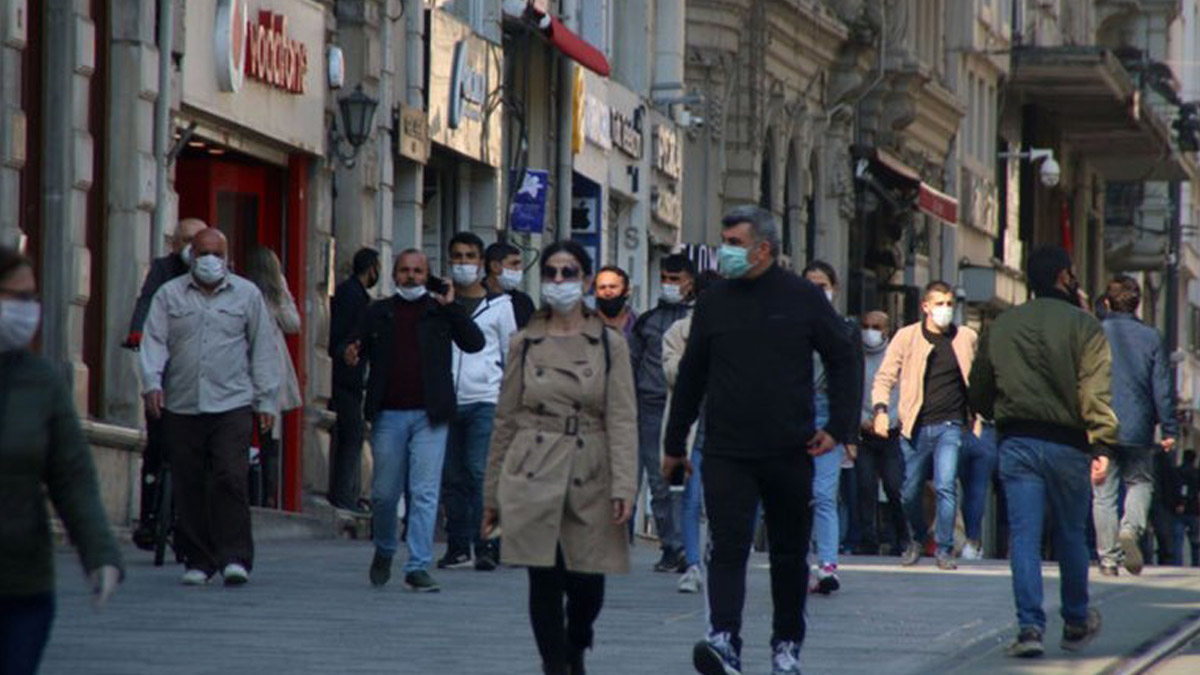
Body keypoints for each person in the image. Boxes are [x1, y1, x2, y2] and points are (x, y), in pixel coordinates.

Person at [663, 206, 857, 675]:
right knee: (727, 546)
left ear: (762, 249)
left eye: (734, 243)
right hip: (726, 450)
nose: (724, 251)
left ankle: (786, 647)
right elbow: (691, 375)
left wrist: (839, 428)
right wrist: (673, 444)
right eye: (724, 240)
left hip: (790, 449)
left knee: (789, 554)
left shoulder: (803, 297)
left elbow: (844, 356)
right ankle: (723, 640)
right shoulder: (713, 301)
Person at [481, 241, 637, 675]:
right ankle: (555, 665)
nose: (559, 281)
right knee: (544, 575)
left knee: (588, 583)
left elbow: (622, 418)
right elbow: (505, 419)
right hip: (533, 464)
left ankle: (576, 641)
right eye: (551, 272)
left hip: (590, 465)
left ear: (585, 281)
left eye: (569, 273)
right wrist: (492, 495)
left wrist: (624, 485)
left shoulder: (609, 344)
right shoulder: (524, 342)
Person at [969, 245, 1117, 658]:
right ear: (1063, 277)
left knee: (1025, 537)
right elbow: (1095, 391)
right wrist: (1102, 441)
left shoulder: (1003, 325)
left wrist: (994, 411)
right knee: (1071, 533)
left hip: (1018, 443)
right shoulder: (1085, 327)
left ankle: (1030, 628)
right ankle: (1075, 620)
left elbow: (980, 388)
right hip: (1069, 444)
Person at [0, 247, 123, 675]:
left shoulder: (42, 382)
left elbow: (72, 477)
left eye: (30, 298)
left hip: (24, 583)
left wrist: (99, 552)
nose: (26, 310)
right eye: (15, 297)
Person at [140, 228, 281, 586]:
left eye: (217, 253)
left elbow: (263, 347)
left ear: (227, 257)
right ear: (191, 255)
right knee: (189, 482)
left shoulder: (247, 295)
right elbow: (154, 341)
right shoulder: (169, 295)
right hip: (182, 402)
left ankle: (235, 556)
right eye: (203, 252)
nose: (210, 260)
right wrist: (152, 383)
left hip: (232, 402)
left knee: (230, 476)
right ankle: (199, 559)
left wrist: (266, 399)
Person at [343, 249, 484, 592]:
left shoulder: (440, 311)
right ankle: (385, 548)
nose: (411, 276)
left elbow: (474, 342)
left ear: (428, 275)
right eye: (405, 270)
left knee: (424, 492)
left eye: (418, 271)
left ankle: (417, 565)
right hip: (389, 414)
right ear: (394, 275)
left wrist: (452, 305)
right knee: (384, 494)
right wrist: (350, 350)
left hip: (430, 415)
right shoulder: (378, 312)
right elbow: (351, 343)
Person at [871, 281, 977, 570]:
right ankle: (916, 538)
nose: (945, 309)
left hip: (950, 425)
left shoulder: (966, 337)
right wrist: (880, 410)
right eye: (939, 304)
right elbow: (885, 377)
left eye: (949, 304)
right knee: (908, 491)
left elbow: (977, 379)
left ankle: (943, 548)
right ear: (926, 307)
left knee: (945, 486)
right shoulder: (907, 337)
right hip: (914, 426)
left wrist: (979, 416)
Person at [123, 217, 207, 548]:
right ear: (174, 243)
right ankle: (149, 518)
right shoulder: (163, 269)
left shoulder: (216, 273)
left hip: (198, 368)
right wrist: (137, 331)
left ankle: (194, 519)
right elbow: (146, 300)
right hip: (165, 363)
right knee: (156, 442)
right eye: (184, 240)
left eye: (196, 240)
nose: (190, 247)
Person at [439, 232, 517, 572]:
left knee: (479, 472)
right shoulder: (440, 303)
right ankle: (457, 546)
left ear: (482, 263)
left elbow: (511, 355)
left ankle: (488, 543)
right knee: (452, 477)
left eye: (469, 256)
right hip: (445, 401)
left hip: (485, 399)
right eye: (457, 256)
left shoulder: (501, 306)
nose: (463, 263)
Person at [1091, 275, 1178, 576]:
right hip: (1139, 425)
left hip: (1102, 422)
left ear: (1107, 302)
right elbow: (1162, 387)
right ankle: (1130, 529)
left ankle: (1108, 559)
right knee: (1140, 482)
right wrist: (1169, 428)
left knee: (1103, 492)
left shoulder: (1095, 333)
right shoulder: (1152, 338)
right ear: (1137, 304)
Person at [630, 253, 697, 573]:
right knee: (659, 481)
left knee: (687, 481)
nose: (669, 285)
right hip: (651, 407)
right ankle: (670, 546)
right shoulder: (647, 321)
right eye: (665, 279)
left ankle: (688, 545)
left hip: (688, 409)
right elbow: (632, 364)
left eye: (676, 279)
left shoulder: (698, 320)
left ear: (690, 282)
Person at [801, 260, 862, 593]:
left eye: (822, 285)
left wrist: (848, 432)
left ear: (834, 289)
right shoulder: (790, 325)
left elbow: (853, 383)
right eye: (809, 285)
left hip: (829, 415)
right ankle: (798, 562)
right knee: (798, 494)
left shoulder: (845, 329)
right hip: (795, 414)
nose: (816, 291)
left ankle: (827, 565)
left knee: (824, 494)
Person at [663, 269, 722, 594]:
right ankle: (692, 564)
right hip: (695, 433)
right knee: (691, 498)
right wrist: (697, 356)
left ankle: (715, 551)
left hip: (728, 431)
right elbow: (672, 373)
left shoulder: (736, 331)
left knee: (721, 502)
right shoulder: (678, 332)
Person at [243, 247, 303, 508]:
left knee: (257, 432)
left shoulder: (266, 295)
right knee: (268, 436)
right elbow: (292, 323)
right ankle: (266, 494)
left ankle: (261, 493)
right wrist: (282, 295)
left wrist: (280, 294)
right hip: (260, 367)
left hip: (253, 367)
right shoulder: (251, 295)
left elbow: (293, 324)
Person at [327, 247, 380, 513]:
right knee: (352, 435)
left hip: (348, 377)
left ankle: (347, 494)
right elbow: (346, 334)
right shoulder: (354, 296)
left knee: (351, 435)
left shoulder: (352, 293)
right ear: (371, 268)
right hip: (346, 377)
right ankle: (344, 496)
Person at [854, 310, 910, 557]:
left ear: (887, 330)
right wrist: (861, 420)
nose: (870, 332)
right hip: (863, 434)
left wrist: (888, 419)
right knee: (865, 487)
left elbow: (904, 395)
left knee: (894, 487)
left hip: (890, 434)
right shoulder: (855, 357)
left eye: (876, 327)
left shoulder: (896, 358)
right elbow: (848, 392)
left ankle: (901, 538)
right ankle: (868, 540)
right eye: (865, 326)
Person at [959, 422, 999, 560]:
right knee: (977, 491)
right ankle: (972, 542)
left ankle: (965, 541)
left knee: (963, 492)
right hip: (987, 431)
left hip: (962, 430)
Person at [484, 241, 536, 328]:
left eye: (519, 264)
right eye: (514, 264)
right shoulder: (476, 297)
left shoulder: (524, 301)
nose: (518, 269)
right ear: (495, 266)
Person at [1173, 450, 1199, 567]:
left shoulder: (1178, 471)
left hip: (1180, 510)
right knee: (1195, 540)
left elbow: (1183, 488)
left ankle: (1177, 562)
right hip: (1194, 510)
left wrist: (1181, 502)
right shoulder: (1196, 472)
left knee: (1178, 540)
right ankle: (1196, 563)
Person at [594, 265, 637, 338]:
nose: (607, 292)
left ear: (627, 291)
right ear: (595, 292)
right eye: (602, 287)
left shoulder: (641, 326)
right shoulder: (583, 326)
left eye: (613, 287)